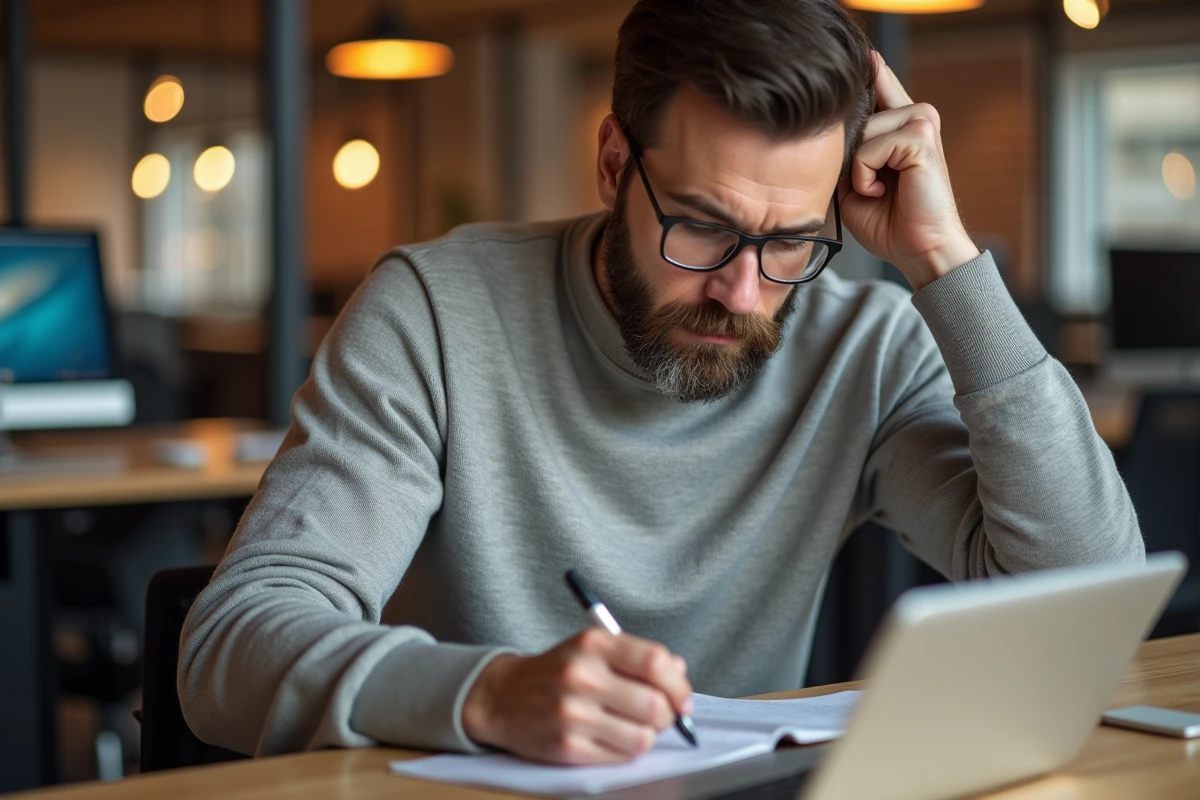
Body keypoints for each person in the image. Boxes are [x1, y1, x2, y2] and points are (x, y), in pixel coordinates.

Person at [179, 0, 1143, 766]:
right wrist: (483, 694)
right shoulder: (433, 312)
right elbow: (231, 645)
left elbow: (1087, 601)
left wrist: (944, 262)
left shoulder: (866, 346)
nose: (740, 289)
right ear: (612, 165)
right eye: (702, 226)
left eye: (792, 243)